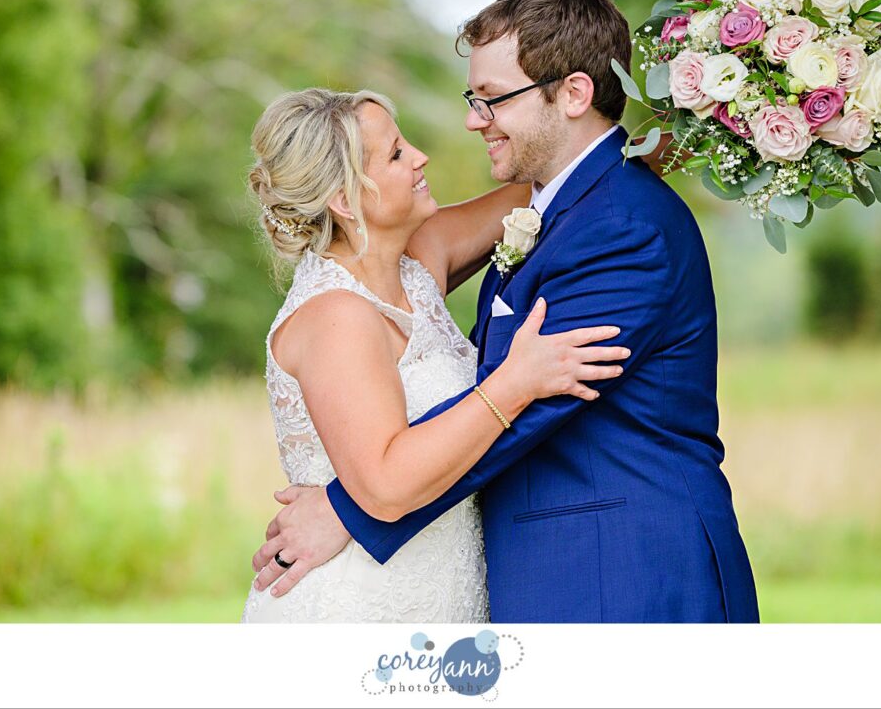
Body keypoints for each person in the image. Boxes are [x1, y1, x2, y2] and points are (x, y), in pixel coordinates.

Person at [250, 0, 760, 623]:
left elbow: (536, 404)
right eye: (397, 154)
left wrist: (346, 509)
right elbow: (559, 177)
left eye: (492, 99)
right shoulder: (344, 308)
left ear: (573, 93)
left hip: (623, 574)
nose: (463, 126)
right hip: (378, 594)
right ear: (346, 200)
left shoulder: (618, 227)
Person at [240, 87, 631, 623]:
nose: (420, 157)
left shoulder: (421, 255)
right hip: (362, 605)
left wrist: (706, 112)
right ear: (345, 199)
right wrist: (514, 383)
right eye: (397, 154)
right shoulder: (335, 317)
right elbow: (384, 484)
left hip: (446, 589)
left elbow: (564, 175)